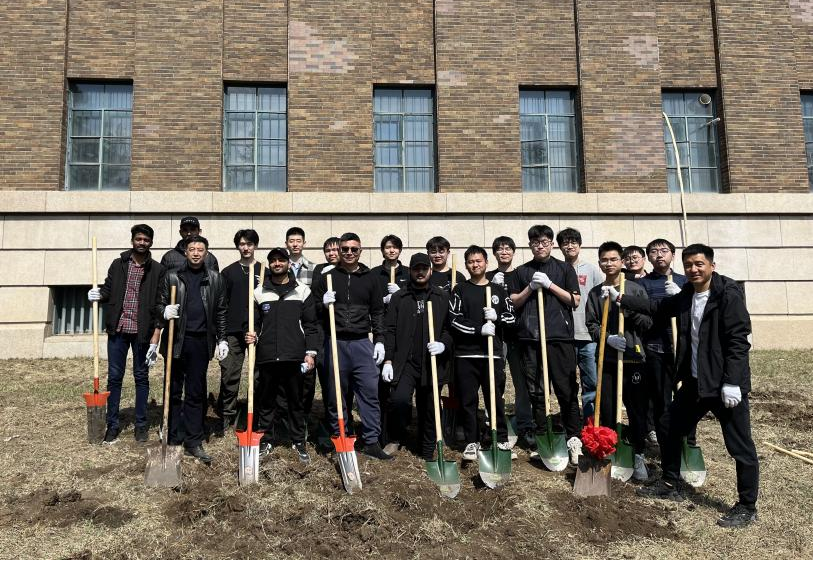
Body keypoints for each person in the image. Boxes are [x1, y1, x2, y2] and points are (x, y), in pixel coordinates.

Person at [618, 244, 759, 528]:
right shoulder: (688, 294)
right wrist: (623, 298)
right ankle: (670, 482)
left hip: (723, 384)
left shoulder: (728, 295)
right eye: (689, 265)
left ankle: (747, 505)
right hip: (696, 382)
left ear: (712, 266)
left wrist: (732, 382)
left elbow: (738, 341)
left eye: (699, 264)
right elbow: (659, 308)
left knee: (739, 445)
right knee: (669, 426)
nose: (693, 269)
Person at [311, 233, 391, 460]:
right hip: (334, 342)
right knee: (335, 395)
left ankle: (371, 441)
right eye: (344, 249)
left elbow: (378, 312)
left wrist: (380, 340)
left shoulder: (371, 279)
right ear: (339, 251)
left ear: (360, 251)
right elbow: (311, 311)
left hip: (361, 343)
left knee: (369, 392)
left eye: (353, 249)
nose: (348, 253)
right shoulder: (327, 277)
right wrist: (322, 304)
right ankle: (341, 437)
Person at [508, 225, 583, 465]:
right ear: (530, 245)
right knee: (537, 391)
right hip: (530, 339)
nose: (540, 246)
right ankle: (543, 435)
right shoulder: (521, 271)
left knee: (566, 388)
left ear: (551, 244)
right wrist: (530, 287)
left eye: (544, 242)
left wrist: (550, 285)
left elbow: (575, 300)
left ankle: (573, 437)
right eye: (535, 243)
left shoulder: (564, 269)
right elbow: (513, 302)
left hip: (559, 338)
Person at [87, 224, 165, 444]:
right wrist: (98, 294)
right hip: (118, 329)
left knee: (141, 377)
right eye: (138, 239)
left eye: (146, 240)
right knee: (114, 377)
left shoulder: (157, 270)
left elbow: (159, 302)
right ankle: (112, 425)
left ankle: (141, 425)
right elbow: (108, 289)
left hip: (142, 332)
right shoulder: (118, 264)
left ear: (151, 242)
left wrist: (156, 334)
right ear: (132, 241)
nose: (142, 243)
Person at [156, 235, 228, 464]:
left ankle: (193, 440)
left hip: (200, 342)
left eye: (200, 249)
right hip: (176, 339)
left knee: (196, 392)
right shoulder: (172, 276)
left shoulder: (215, 279)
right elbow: (158, 304)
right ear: (185, 252)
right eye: (192, 249)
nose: (196, 253)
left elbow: (221, 311)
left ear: (206, 253)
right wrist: (164, 311)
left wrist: (222, 339)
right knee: (173, 390)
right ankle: (173, 437)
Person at [585, 241, 652, 481]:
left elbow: (647, 323)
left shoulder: (635, 290)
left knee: (636, 410)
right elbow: (591, 325)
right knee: (607, 408)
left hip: (633, 358)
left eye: (613, 259)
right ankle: (611, 452)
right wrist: (607, 338)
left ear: (622, 262)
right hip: (608, 359)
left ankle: (638, 454)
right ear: (599, 263)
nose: (609, 263)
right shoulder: (596, 293)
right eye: (604, 260)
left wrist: (623, 304)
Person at [245, 247, 320, 464]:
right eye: (273, 261)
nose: (277, 263)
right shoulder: (259, 293)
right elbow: (253, 324)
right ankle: (266, 440)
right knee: (266, 401)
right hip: (267, 356)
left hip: (294, 356)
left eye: (281, 260)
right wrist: (251, 335)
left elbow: (311, 325)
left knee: (295, 402)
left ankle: (298, 441)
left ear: (288, 263)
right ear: (269, 265)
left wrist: (310, 353)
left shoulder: (302, 291)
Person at [382, 253, 453, 460]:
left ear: (430, 270)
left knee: (429, 406)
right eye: (416, 269)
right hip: (406, 361)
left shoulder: (441, 297)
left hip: (431, 362)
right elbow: (390, 329)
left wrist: (443, 344)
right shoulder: (400, 297)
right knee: (399, 400)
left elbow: (449, 329)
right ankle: (396, 437)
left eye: (424, 268)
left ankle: (427, 446)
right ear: (410, 271)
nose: (420, 272)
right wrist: (388, 360)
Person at [450, 246, 516, 461]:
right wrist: (479, 329)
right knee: (468, 400)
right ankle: (472, 441)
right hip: (466, 355)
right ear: (466, 265)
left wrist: (497, 317)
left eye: (478, 261)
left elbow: (511, 317)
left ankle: (501, 437)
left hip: (492, 354)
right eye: (470, 262)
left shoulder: (498, 290)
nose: (475, 265)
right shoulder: (460, 289)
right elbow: (454, 320)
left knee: (494, 398)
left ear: (486, 262)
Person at [638, 238, 692, 446]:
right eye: (654, 251)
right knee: (661, 399)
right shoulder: (643, 283)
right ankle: (665, 443)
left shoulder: (686, 281)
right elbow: (644, 312)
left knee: (686, 398)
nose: (659, 255)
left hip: (683, 349)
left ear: (673, 255)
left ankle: (687, 441)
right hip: (655, 348)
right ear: (648, 257)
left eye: (664, 250)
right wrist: (666, 305)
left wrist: (682, 296)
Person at [486, 236, 534, 447]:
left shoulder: (521, 274)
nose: (504, 252)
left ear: (513, 252)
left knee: (521, 381)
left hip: (517, 335)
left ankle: (525, 423)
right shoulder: (488, 276)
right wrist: (492, 287)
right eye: (500, 249)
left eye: (507, 248)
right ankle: (494, 422)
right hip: (495, 336)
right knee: (495, 379)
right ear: (494, 253)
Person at [214, 229, 262, 436]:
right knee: (230, 374)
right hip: (233, 331)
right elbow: (221, 305)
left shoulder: (264, 271)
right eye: (242, 244)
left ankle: (257, 413)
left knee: (259, 375)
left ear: (255, 246)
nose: (246, 248)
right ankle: (228, 413)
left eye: (249, 244)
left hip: (257, 331)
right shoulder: (228, 272)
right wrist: (222, 337)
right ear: (237, 246)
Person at [557, 227, 603, 422]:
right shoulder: (556, 269)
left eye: (573, 242)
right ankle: (571, 421)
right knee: (567, 382)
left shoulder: (591, 270)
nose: (570, 246)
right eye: (565, 243)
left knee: (591, 381)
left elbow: (600, 298)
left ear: (580, 245)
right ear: (559, 247)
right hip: (564, 335)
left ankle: (591, 422)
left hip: (587, 335)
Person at [370, 234, 410, 449]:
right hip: (381, 333)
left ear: (400, 250)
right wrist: (382, 300)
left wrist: (400, 294)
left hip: (403, 333)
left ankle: (400, 432)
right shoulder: (375, 274)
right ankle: (380, 432)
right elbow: (369, 301)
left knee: (400, 385)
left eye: (395, 247)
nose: (391, 250)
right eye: (387, 247)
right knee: (380, 386)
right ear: (382, 250)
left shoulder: (408, 274)